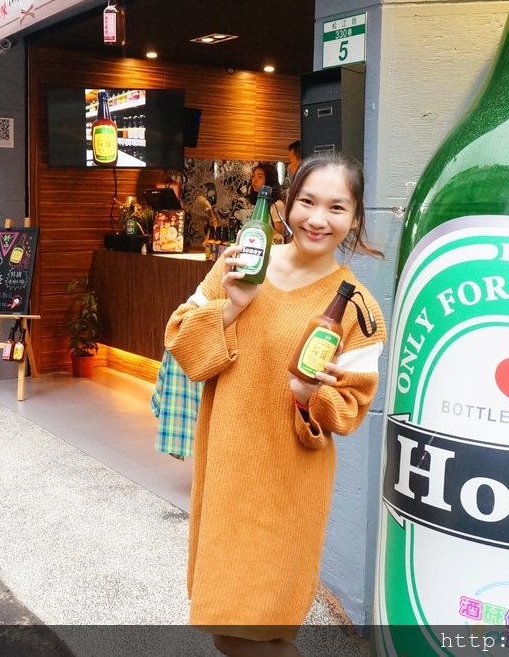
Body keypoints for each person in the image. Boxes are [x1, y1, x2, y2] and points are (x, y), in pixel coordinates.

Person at [164, 152, 386, 657]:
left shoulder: (357, 308)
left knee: (255, 633)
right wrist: (232, 304)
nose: (317, 218)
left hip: (289, 487)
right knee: (230, 629)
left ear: (354, 218)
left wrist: (314, 396)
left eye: (336, 207)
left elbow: (350, 408)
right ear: (285, 205)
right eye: (307, 201)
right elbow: (181, 343)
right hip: (228, 470)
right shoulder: (238, 263)